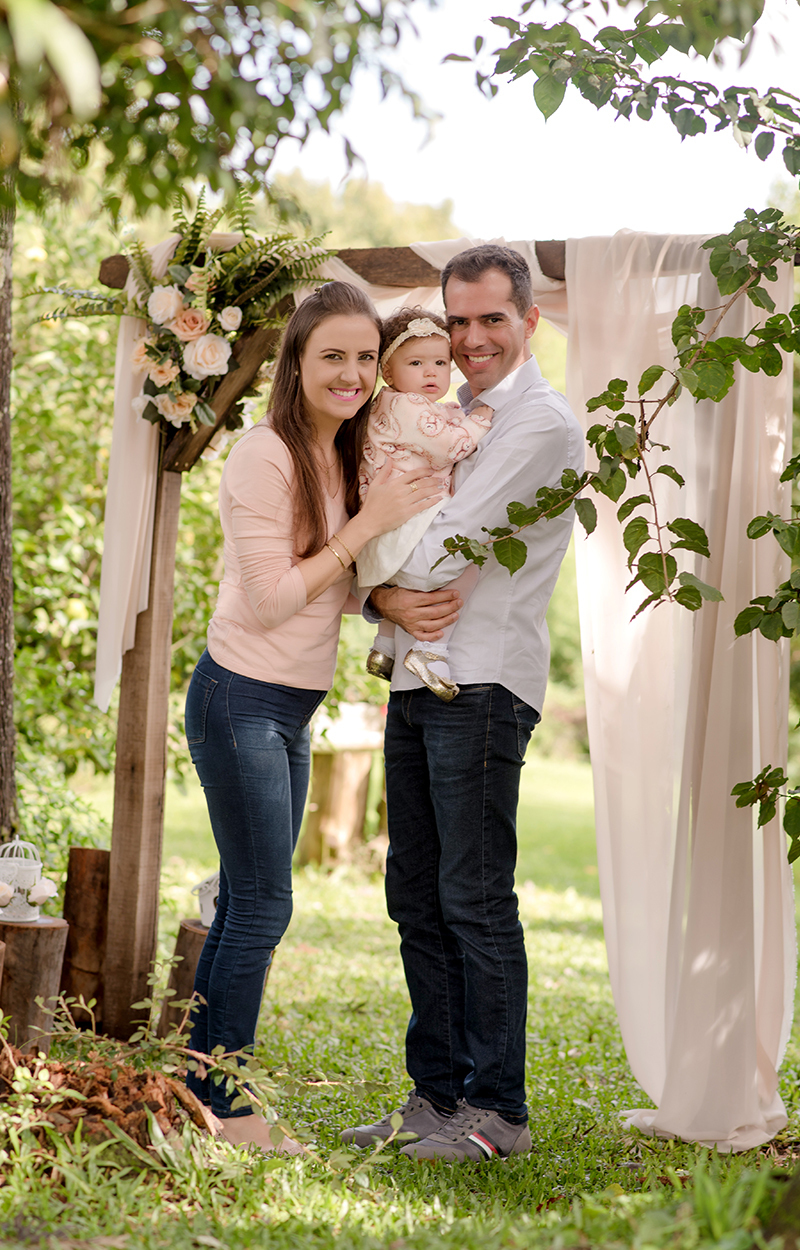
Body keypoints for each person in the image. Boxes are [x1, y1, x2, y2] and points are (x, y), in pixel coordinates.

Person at [183, 281, 444, 1154]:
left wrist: (386, 599)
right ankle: (232, 1111)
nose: (354, 373)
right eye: (333, 354)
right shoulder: (267, 454)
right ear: (295, 361)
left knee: (245, 909)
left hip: (289, 709)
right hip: (240, 698)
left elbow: (331, 587)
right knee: (260, 907)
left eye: (367, 358)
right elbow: (268, 602)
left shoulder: (344, 451)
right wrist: (369, 525)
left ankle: (200, 1098)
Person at [341, 245, 584, 1162]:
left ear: (528, 321)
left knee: (473, 900)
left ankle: (499, 1114)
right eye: (459, 322)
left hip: (480, 685)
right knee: (415, 894)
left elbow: (441, 547)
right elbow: (402, 543)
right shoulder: (453, 416)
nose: (473, 339)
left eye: (492, 320)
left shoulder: (539, 428)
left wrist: (373, 576)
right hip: (416, 674)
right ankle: (436, 1099)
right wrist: (377, 596)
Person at [357, 306, 493, 701]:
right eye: (416, 363)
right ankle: (431, 649)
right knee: (465, 562)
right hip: (409, 517)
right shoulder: (407, 406)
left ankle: (385, 647)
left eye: (440, 362)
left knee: (401, 576)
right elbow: (453, 445)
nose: (431, 372)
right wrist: (480, 418)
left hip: (387, 522)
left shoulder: (390, 405)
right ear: (388, 371)